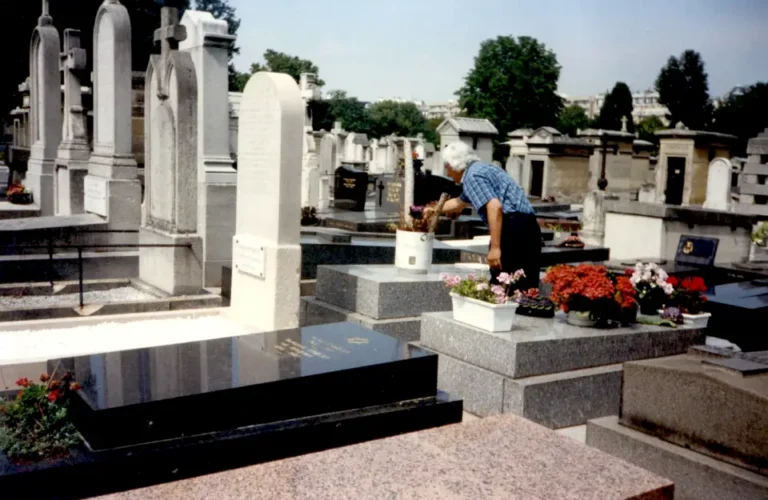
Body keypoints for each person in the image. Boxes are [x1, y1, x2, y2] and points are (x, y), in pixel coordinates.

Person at [427, 142, 541, 291]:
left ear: (453, 165)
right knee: (526, 287)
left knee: (504, 286)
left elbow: (494, 206)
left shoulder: (472, 176)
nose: (447, 173)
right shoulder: (482, 168)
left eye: (447, 167)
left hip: (512, 228)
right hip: (528, 226)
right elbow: (460, 201)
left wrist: (495, 248)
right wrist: (433, 209)